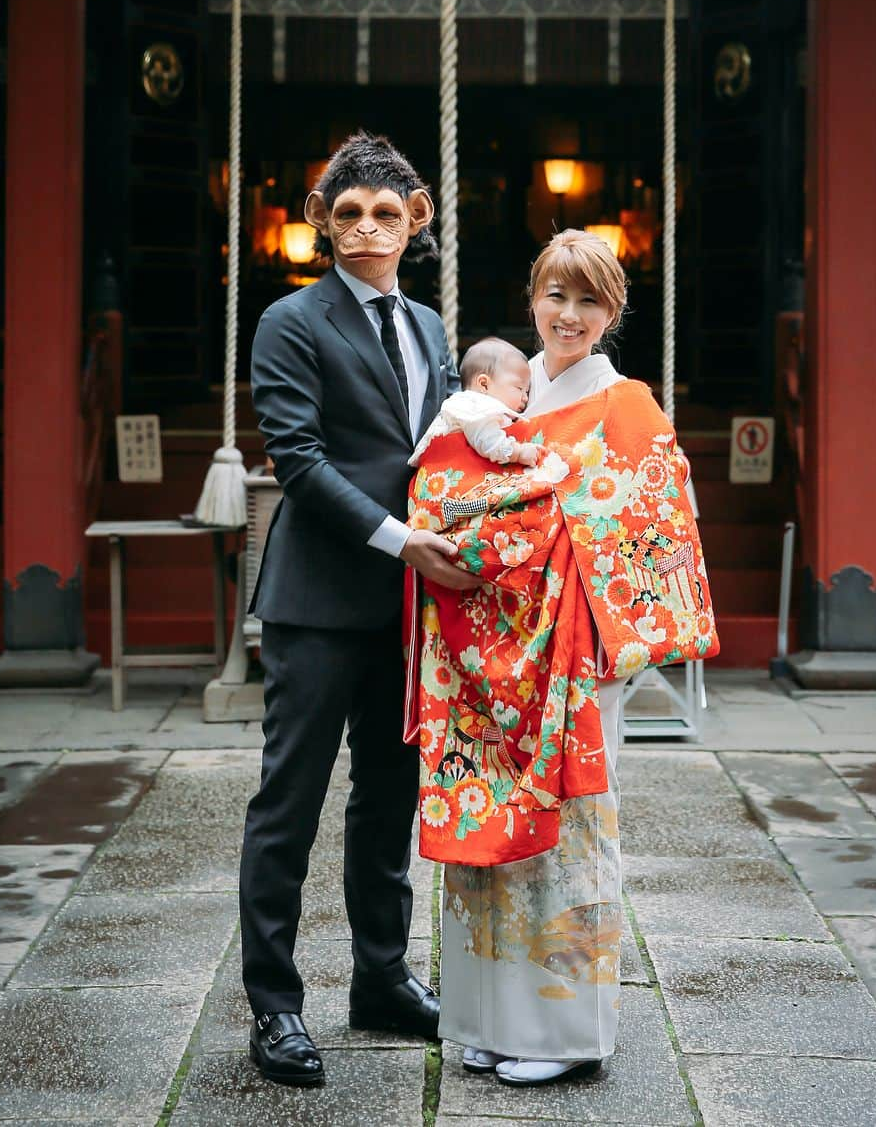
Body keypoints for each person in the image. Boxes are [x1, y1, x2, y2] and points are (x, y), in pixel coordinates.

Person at [239, 132, 475, 1088]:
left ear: (415, 219)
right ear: (321, 225)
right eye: (349, 213)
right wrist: (397, 536)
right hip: (320, 599)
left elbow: (451, 445)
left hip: (411, 607)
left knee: (390, 801)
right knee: (287, 806)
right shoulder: (289, 321)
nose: (368, 227)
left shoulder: (427, 326)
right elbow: (298, 460)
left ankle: (381, 979)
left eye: (386, 212)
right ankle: (276, 1007)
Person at [439, 229, 631, 1085]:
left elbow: (648, 530)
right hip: (490, 645)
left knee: (568, 836)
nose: (570, 315)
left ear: (611, 313)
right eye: (557, 295)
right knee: (486, 821)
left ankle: (562, 1035)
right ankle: (486, 1017)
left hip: (575, 647)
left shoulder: (626, 405)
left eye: (589, 300)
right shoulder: (503, 399)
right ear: (533, 299)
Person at [409, 336, 541, 470]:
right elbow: (489, 443)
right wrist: (518, 452)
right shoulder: (475, 407)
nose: (525, 398)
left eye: (527, 391)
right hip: (444, 472)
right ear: (484, 384)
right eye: (519, 388)